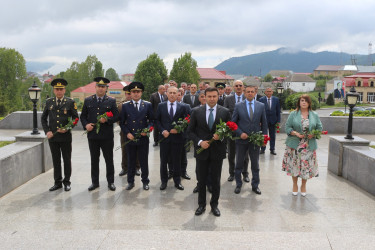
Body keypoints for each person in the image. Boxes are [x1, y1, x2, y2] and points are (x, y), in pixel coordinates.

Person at [187, 87, 231, 217]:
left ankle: (214, 205)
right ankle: (201, 205)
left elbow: (229, 130)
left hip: (218, 151)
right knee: (201, 179)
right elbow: (190, 131)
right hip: (202, 152)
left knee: (216, 180)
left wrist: (221, 136)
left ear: (218, 97)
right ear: (204, 97)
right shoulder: (196, 111)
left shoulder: (225, 112)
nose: (212, 99)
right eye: (209, 96)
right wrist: (200, 142)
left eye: (214, 96)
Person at [80, 77, 119, 191]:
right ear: (95, 87)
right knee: (94, 160)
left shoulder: (111, 101)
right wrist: (86, 125)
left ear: (106, 88)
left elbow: (116, 116)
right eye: (99, 86)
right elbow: (83, 116)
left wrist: (107, 120)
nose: (101, 89)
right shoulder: (88, 100)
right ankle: (95, 182)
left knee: (109, 160)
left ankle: (110, 182)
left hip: (106, 136)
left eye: (103, 87)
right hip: (93, 136)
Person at [41, 78, 79, 192]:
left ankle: (67, 182)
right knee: (56, 160)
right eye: (57, 89)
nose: (59, 91)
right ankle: (57, 182)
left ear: (64, 90)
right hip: (53, 137)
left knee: (66, 160)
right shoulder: (49, 102)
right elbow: (43, 118)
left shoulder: (70, 102)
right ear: (53, 90)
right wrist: (47, 131)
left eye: (61, 89)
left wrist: (67, 128)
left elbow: (76, 118)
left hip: (66, 137)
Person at [282, 94, 322, 197]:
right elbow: (287, 127)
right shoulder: (293, 114)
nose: (303, 102)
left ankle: (303, 186)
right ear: (299, 103)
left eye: (305, 101)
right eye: (302, 100)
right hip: (295, 145)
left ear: (309, 103)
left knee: (306, 167)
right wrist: (295, 133)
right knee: (294, 165)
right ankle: (295, 185)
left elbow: (319, 128)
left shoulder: (314, 115)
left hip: (308, 145)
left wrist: (313, 134)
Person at [231, 85, 268, 195]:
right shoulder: (238, 106)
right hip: (241, 140)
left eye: (252, 91)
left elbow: (264, 123)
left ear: (255, 92)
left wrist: (264, 138)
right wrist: (240, 133)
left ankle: (255, 185)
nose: (250, 93)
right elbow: (233, 123)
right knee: (239, 163)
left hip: (255, 140)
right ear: (244, 93)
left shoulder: (261, 106)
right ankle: (238, 184)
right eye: (248, 92)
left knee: (255, 164)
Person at [119, 81, 154, 191]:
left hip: (143, 138)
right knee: (130, 161)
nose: (136, 94)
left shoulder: (147, 105)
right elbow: (122, 122)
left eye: (138, 92)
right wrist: (127, 133)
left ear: (141, 93)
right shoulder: (125, 106)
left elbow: (152, 121)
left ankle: (145, 181)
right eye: (133, 91)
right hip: (130, 138)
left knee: (143, 161)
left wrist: (148, 129)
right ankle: (130, 182)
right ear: (130, 92)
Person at [156, 86, 191, 191]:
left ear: (178, 94)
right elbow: (157, 121)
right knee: (164, 161)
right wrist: (162, 131)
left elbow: (188, 121)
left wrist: (179, 130)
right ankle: (164, 182)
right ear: (166, 94)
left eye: (174, 93)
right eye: (170, 92)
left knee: (177, 161)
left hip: (178, 139)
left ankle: (177, 181)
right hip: (164, 139)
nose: (172, 95)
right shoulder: (161, 106)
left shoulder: (183, 107)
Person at [223, 80, 250, 182]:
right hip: (232, 131)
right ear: (233, 87)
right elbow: (225, 112)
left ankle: (245, 174)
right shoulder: (228, 99)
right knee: (231, 154)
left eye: (240, 85)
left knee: (245, 155)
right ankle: (232, 173)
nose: (238, 87)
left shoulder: (247, 98)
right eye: (236, 86)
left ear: (243, 87)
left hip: (244, 131)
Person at [118, 85, 141, 177]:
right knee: (124, 150)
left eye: (130, 93)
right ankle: (125, 167)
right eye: (127, 93)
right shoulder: (121, 105)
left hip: (137, 131)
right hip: (124, 132)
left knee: (137, 149)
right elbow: (119, 120)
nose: (129, 95)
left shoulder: (138, 104)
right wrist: (126, 129)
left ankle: (136, 167)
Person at [259, 87, 281, 155]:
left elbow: (278, 111)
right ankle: (262, 149)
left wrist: (278, 121)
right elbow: (259, 111)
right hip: (264, 121)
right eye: (267, 91)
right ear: (265, 92)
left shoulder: (276, 99)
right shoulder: (261, 99)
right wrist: (259, 121)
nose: (268, 93)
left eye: (270, 91)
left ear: (272, 92)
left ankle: (272, 149)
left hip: (273, 120)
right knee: (263, 135)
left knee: (272, 136)